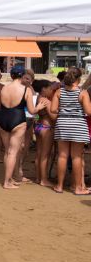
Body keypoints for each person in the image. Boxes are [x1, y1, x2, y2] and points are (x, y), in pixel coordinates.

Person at [0, 65, 46, 189]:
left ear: (11, 76)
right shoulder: (25, 89)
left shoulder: (3, 89)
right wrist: (39, 108)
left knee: (7, 151)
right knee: (13, 152)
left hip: (3, 119)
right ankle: (7, 182)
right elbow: (32, 111)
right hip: (18, 119)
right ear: (22, 76)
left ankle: (9, 178)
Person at [51, 67, 91, 195]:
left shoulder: (59, 92)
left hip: (62, 123)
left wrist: (64, 111)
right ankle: (78, 187)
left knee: (62, 156)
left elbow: (53, 109)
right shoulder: (82, 93)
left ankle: (59, 186)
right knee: (77, 157)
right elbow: (89, 111)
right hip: (78, 124)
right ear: (79, 79)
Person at [32, 79, 56, 187]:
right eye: (50, 88)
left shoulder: (37, 98)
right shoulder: (46, 101)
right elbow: (53, 116)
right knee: (45, 155)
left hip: (38, 126)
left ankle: (38, 177)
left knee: (39, 153)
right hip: (47, 127)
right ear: (43, 89)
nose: (51, 90)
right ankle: (44, 179)